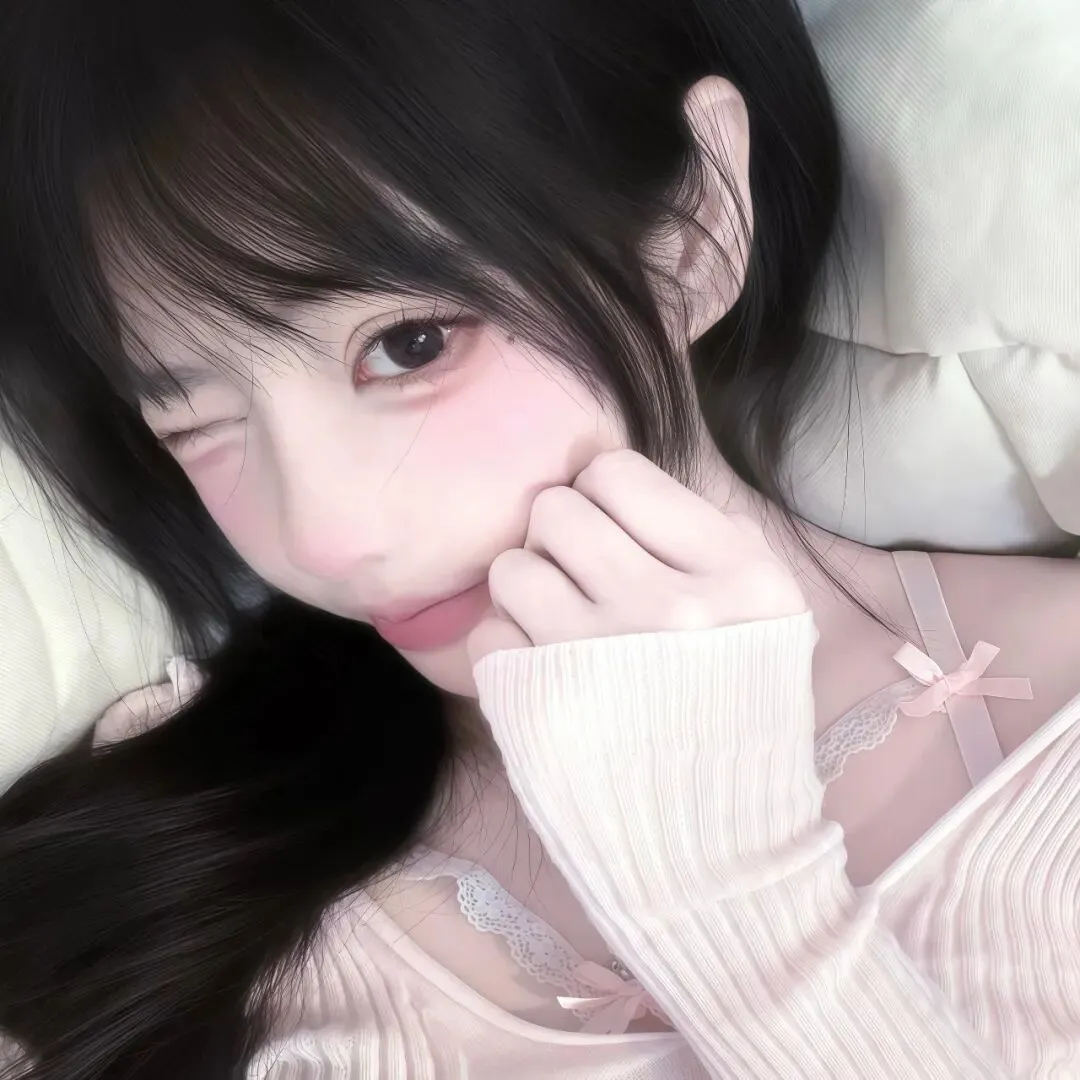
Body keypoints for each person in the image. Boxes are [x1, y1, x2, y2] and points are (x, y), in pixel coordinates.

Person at [0, 1, 1078, 1078]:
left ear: (693, 231)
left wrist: (733, 891)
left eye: (409, 344)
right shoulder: (150, 860)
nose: (321, 538)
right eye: (193, 419)